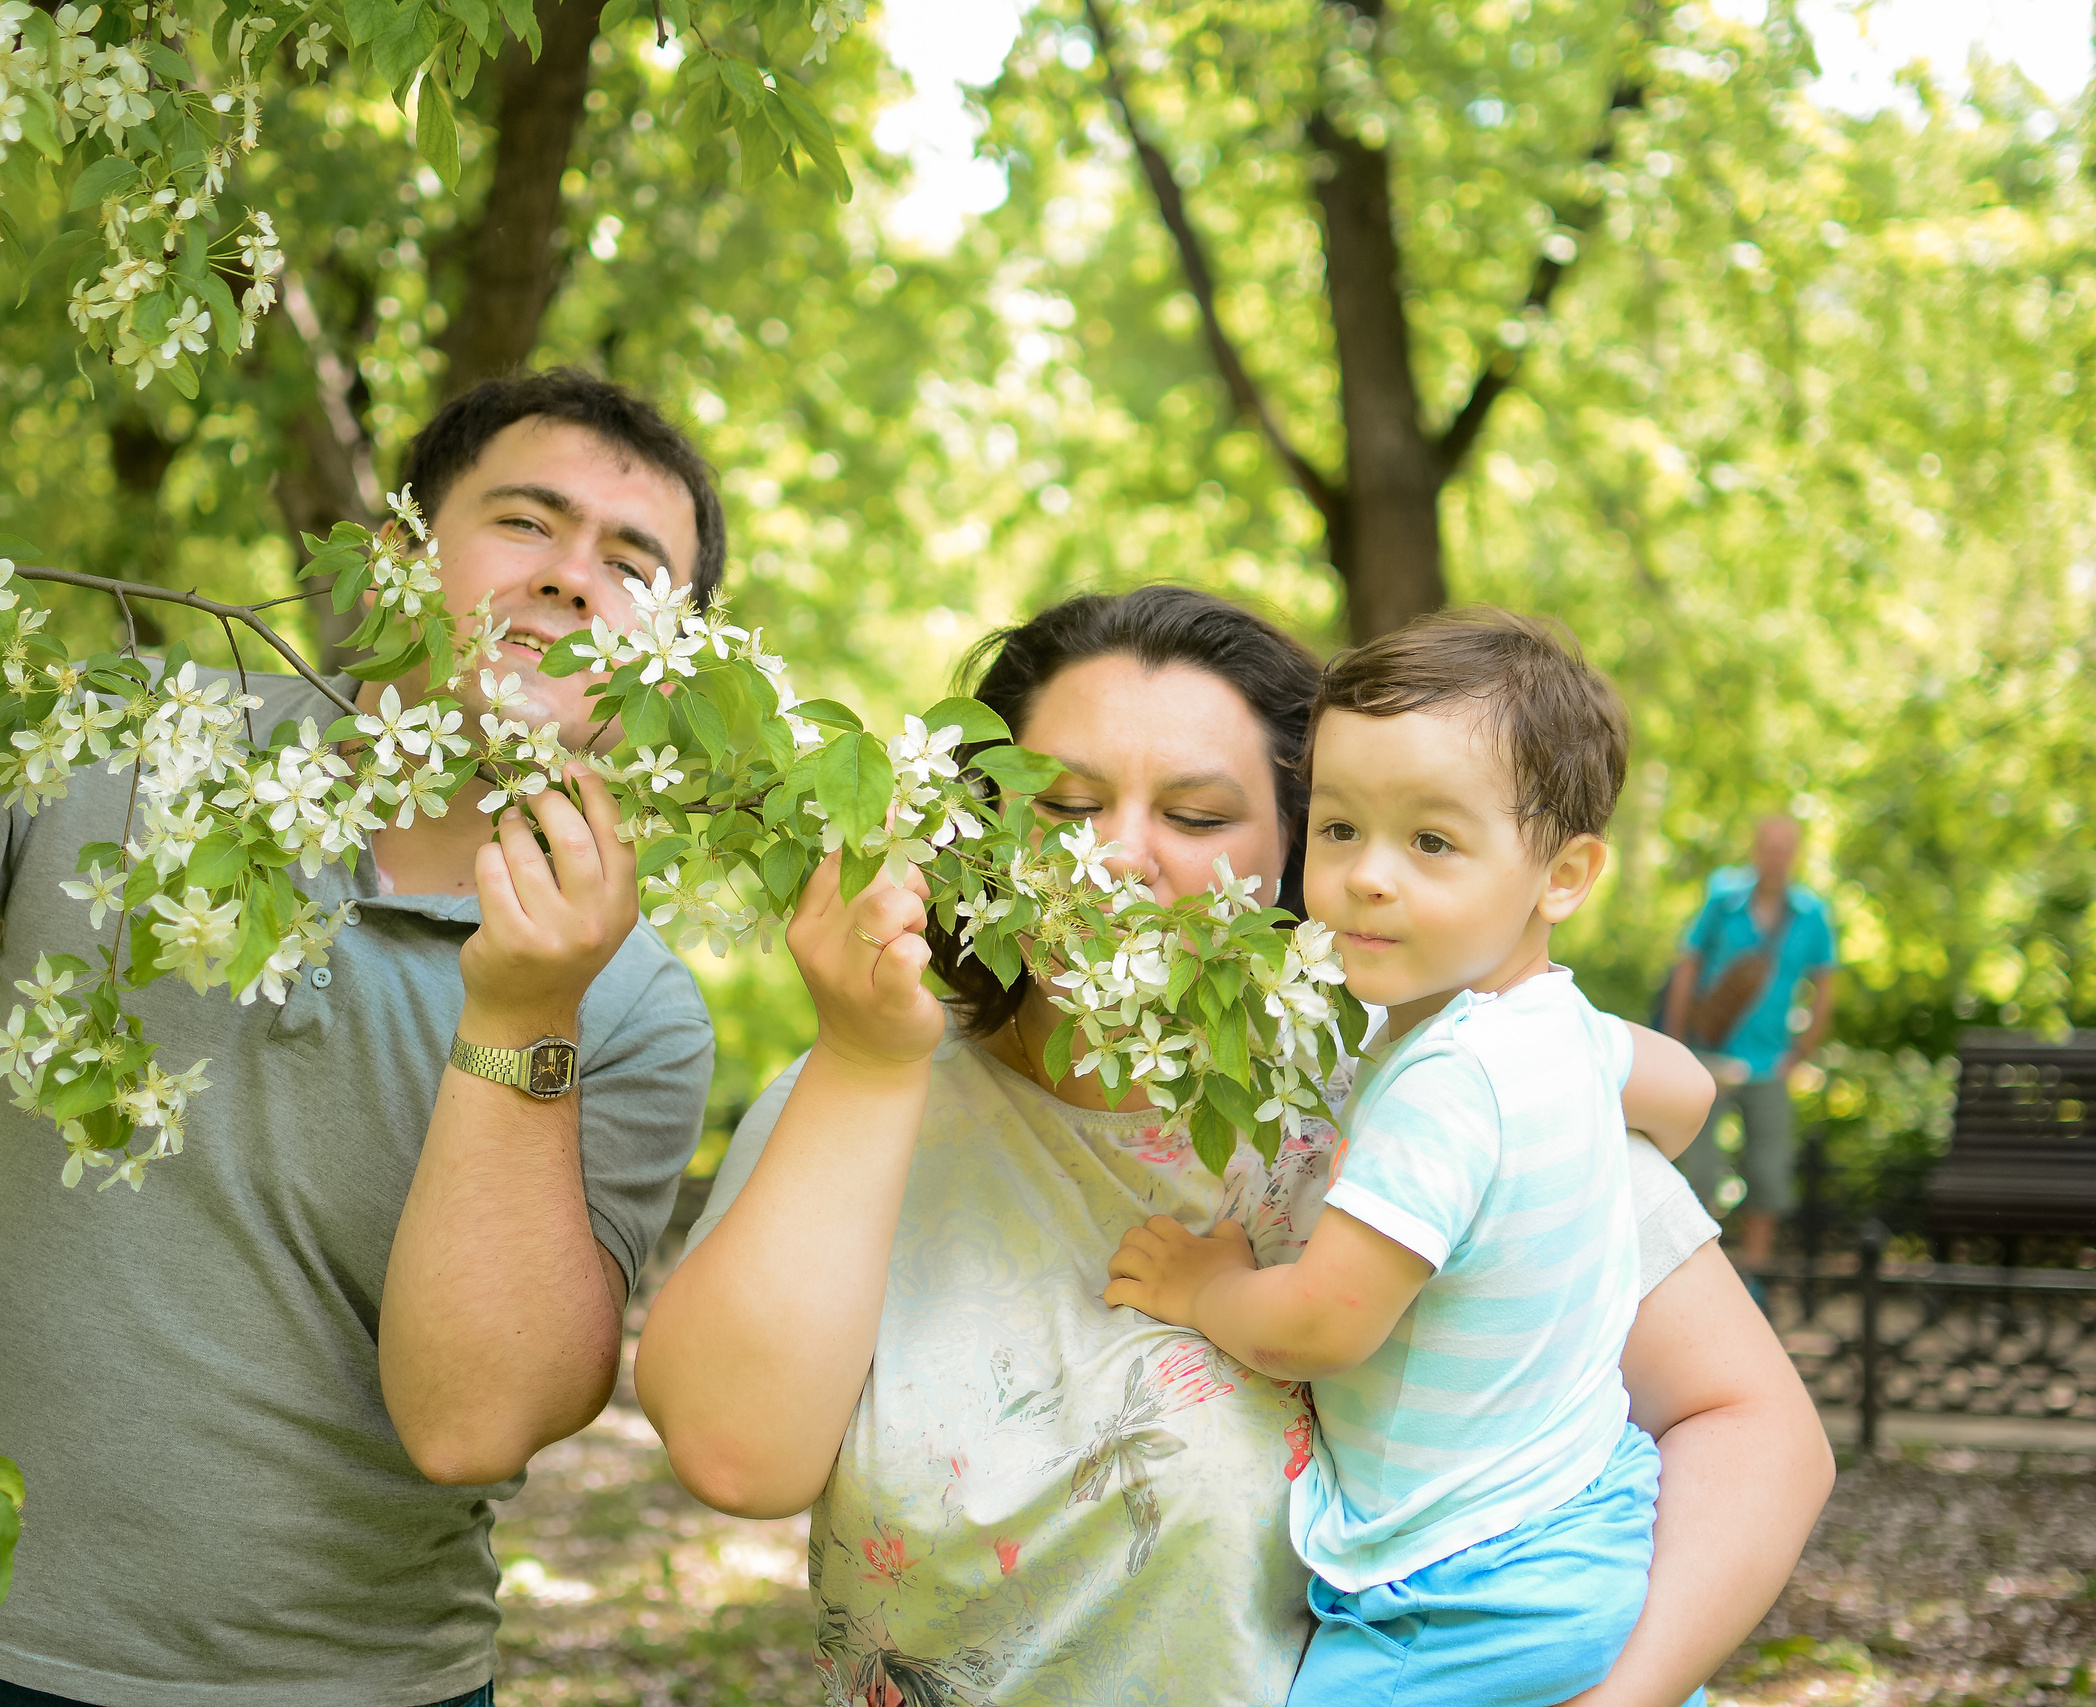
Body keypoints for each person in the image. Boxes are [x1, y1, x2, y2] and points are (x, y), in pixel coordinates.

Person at [0, 369, 723, 1707]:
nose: (575, 578)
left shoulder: (637, 1010)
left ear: (683, 661)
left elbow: (474, 1418)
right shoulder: (129, 737)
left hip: (350, 1687)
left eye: (633, 559)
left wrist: (527, 1009)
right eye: (527, 523)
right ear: (396, 558)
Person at [635, 586, 1834, 1707]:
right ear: (972, 829)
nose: (1118, 855)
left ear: (1295, 857)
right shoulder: (864, 1086)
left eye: (1197, 815)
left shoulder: (1439, 1082)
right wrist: (864, 1063)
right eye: (1061, 805)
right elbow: (736, 1460)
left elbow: (1752, 1425)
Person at [1103, 610, 1718, 1706]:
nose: (1367, 877)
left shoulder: (1448, 1084)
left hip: (1462, 1582)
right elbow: (1689, 1091)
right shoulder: (1563, 1031)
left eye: (1431, 842)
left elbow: (1320, 1326)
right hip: (1590, 1509)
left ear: (1564, 877)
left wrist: (1207, 1286)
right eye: (1338, 830)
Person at [1661, 814, 1838, 1268]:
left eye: (1785, 848)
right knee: (1697, 1172)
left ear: (1795, 855)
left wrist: (1801, 1053)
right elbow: (1687, 966)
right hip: (1708, 1058)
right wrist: (1677, 1042)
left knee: (1767, 1173)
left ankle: (1755, 1277)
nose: (1776, 857)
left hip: (1769, 1064)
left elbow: (1825, 985)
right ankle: (1699, 1271)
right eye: (1769, 847)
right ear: (1756, 849)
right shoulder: (1723, 900)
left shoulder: (1811, 914)